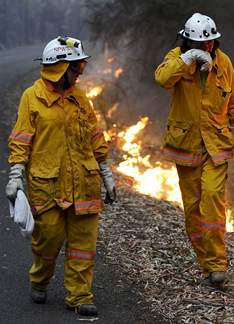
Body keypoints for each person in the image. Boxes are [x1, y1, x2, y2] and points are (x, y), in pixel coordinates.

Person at [6, 36, 116, 316]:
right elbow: (21, 139)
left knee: (83, 245)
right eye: (75, 67)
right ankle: (40, 279)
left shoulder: (81, 98)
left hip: (85, 182)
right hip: (48, 184)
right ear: (59, 67)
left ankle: (80, 296)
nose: (80, 72)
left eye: (80, 66)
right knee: (49, 239)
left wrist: (105, 170)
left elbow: (94, 135)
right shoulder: (32, 97)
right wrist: (16, 174)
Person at [155, 13, 234, 288]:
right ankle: (206, 263)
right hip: (186, 146)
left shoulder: (224, 62)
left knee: (213, 199)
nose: (207, 49)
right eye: (199, 44)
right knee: (193, 210)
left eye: (210, 44)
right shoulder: (177, 57)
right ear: (187, 41)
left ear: (215, 42)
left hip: (216, 146)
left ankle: (218, 265)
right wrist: (189, 59)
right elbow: (163, 78)